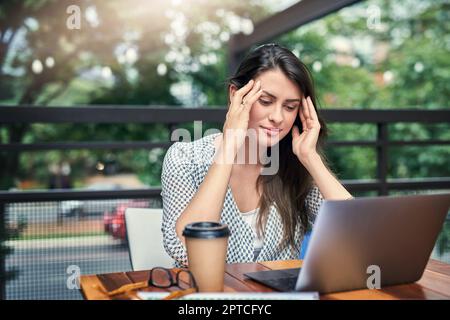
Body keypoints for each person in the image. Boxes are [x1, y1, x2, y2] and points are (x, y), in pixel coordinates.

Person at [161, 43, 353, 267]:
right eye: (266, 101)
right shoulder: (185, 158)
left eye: (290, 107)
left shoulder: (292, 165)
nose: (278, 117)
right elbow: (185, 251)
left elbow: (355, 236)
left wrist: (311, 158)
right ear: (235, 94)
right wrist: (228, 149)